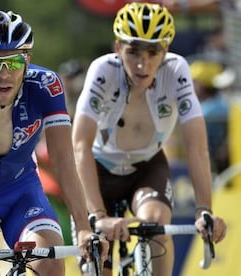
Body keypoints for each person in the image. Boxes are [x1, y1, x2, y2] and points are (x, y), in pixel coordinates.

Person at [0, 10, 108, 276]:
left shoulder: (46, 85)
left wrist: (83, 227)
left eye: (13, 62)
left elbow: (63, 159)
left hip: (20, 190)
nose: (4, 74)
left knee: (50, 262)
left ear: (27, 61)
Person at [71, 3, 227, 276]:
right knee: (98, 259)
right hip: (98, 169)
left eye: (153, 52)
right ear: (118, 48)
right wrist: (97, 214)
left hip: (146, 166)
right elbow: (80, 144)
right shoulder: (103, 71)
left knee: (155, 225)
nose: (143, 64)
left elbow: (196, 146)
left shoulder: (177, 70)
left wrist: (204, 209)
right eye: (133, 52)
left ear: (165, 50)